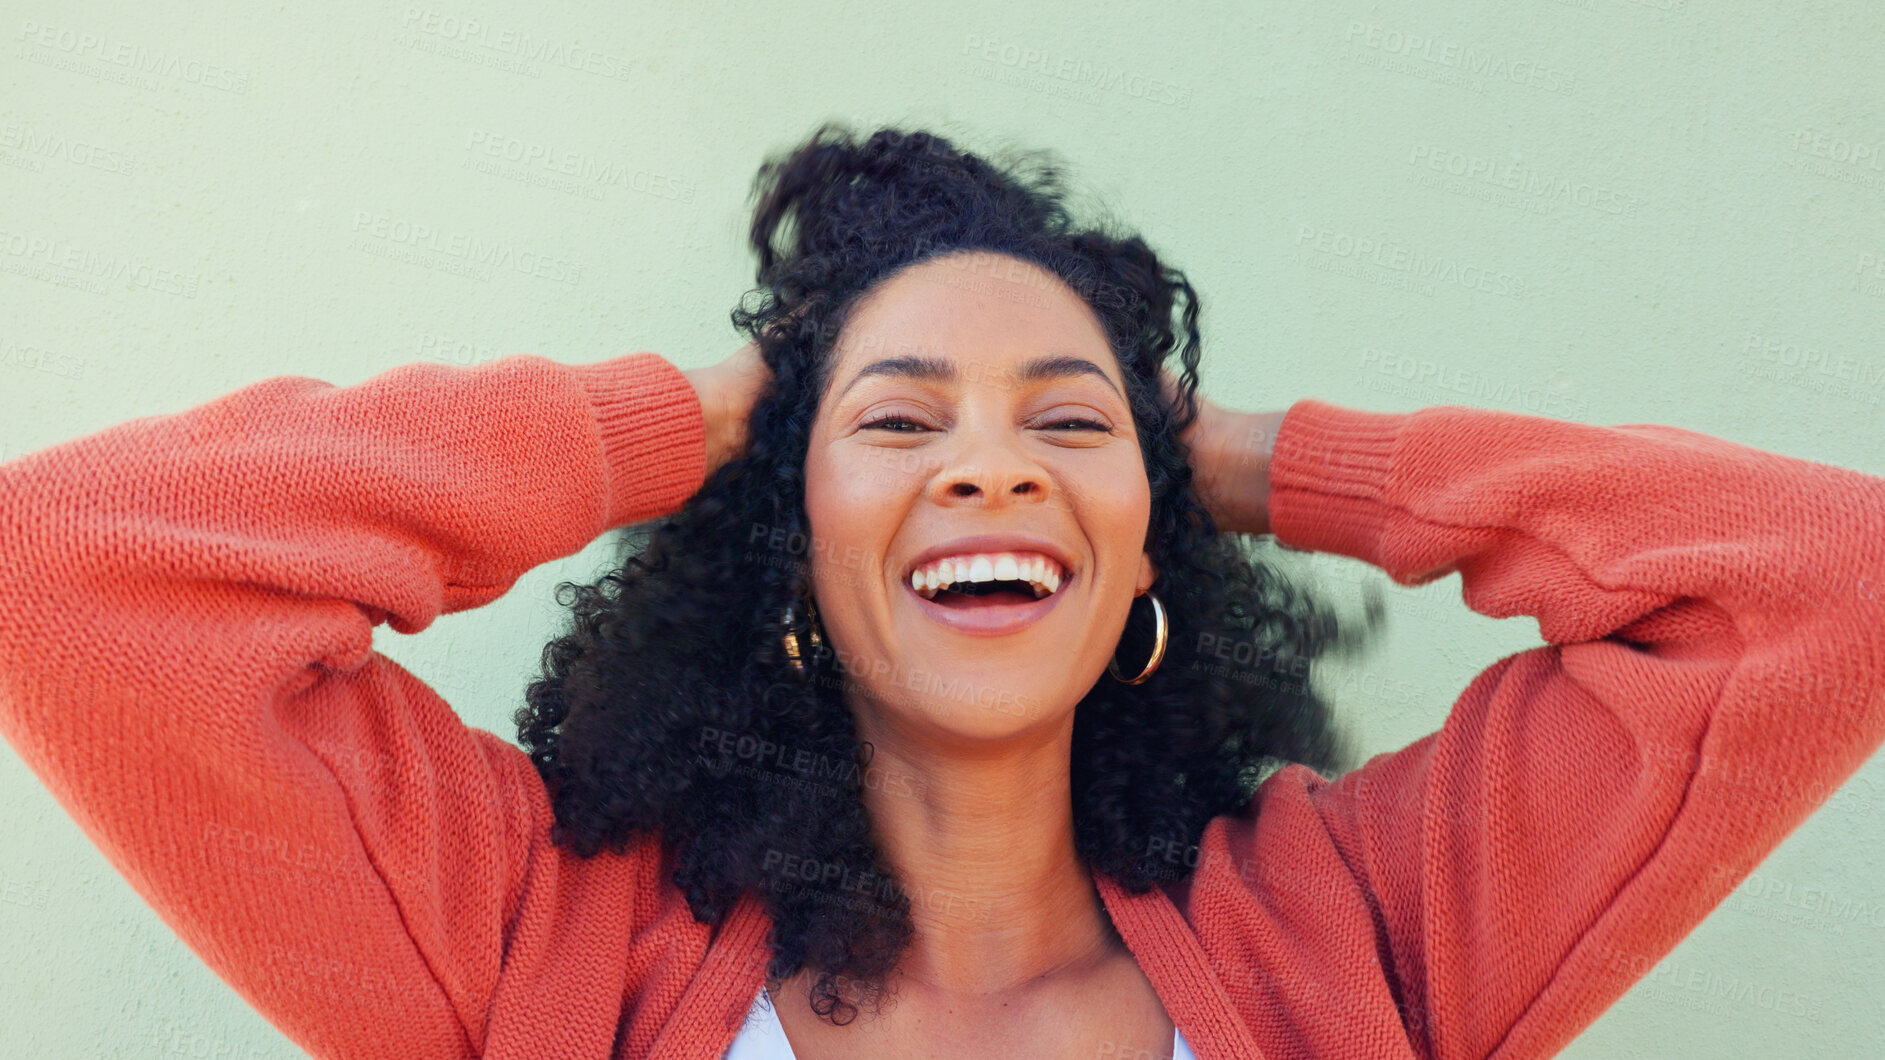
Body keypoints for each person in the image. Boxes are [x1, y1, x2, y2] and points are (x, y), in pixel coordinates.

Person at [0, 124, 1880, 1060]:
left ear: (1149, 547)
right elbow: (70, 573)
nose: (990, 466)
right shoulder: (546, 954)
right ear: (786, 540)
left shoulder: (1360, 939)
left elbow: (1825, 588)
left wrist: (1254, 460)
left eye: (1065, 424)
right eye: (897, 426)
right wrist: (680, 423)